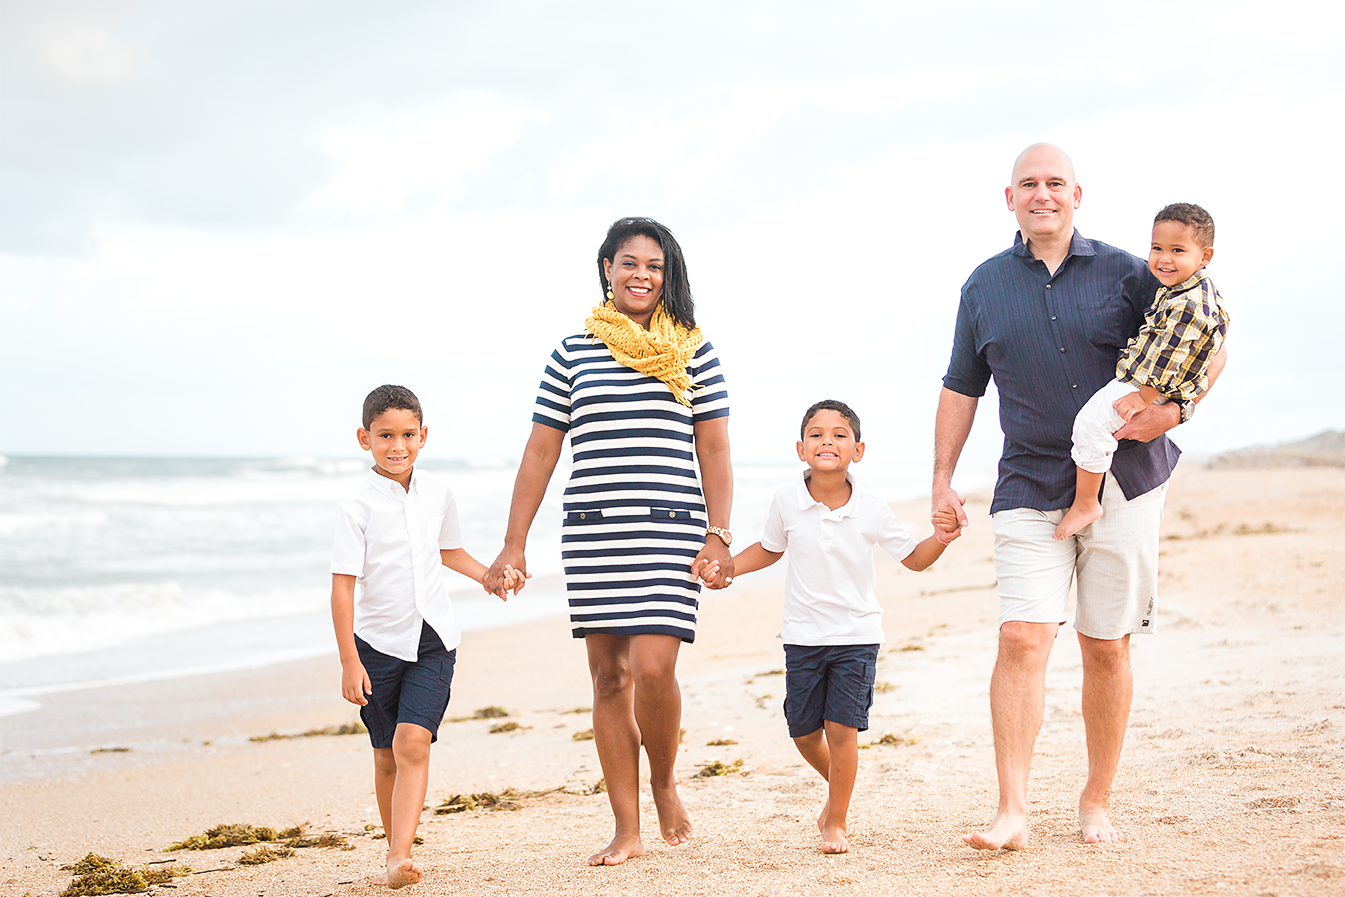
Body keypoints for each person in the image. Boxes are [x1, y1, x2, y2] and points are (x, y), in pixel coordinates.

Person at [932, 144, 1227, 850]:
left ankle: (1095, 800)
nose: (1042, 194)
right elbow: (960, 386)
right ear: (1009, 199)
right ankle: (1012, 811)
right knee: (1020, 635)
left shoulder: (1132, 271)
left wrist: (1180, 410)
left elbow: (1210, 342)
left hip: (1126, 481)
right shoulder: (982, 286)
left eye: (1054, 182)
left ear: (1076, 194)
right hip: (1028, 481)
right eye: (1027, 184)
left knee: (1105, 645)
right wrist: (941, 477)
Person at [483, 217, 733, 866]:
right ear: (606, 269)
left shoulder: (695, 351)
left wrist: (718, 532)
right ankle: (626, 825)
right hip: (595, 533)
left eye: (653, 264)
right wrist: (514, 542)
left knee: (654, 668)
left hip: (668, 528)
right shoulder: (571, 352)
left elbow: (714, 447)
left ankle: (663, 781)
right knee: (607, 677)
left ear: (667, 274)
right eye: (628, 262)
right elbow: (541, 451)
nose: (640, 274)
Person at [698, 400, 959, 854]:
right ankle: (843, 781)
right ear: (801, 449)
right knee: (803, 732)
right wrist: (729, 569)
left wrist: (941, 537)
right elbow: (770, 548)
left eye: (840, 435)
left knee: (842, 731)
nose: (828, 442)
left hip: (857, 636)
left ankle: (835, 819)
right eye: (816, 435)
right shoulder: (786, 501)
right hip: (802, 636)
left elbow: (914, 560)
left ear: (858, 451)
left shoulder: (873, 508)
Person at [331, 385, 521, 888]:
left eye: (408, 434)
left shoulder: (439, 492)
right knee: (385, 751)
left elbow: (450, 551)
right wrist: (350, 660)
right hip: (375, 644)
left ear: (424, 436)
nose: (398, 446)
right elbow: (342, 591)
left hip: (434, 636)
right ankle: (394, 848)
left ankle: (399, 856)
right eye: (385, 435)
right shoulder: (356, 507)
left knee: (413, 741)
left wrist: (489, 577)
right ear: (363, 438)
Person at [1055, 203, 1229, 540]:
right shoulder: (1189, 290)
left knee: (1089, 425)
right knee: (1095, 425)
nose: (1164, 259)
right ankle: (1088, 497)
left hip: (1146, 384)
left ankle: (1087, 501)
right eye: (1157, 248)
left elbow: (1170, 358)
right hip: (1149, 380)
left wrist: (1142, 397)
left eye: (1177, 250)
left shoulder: (1188, 305)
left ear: (1205, 256)